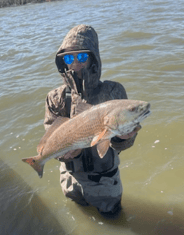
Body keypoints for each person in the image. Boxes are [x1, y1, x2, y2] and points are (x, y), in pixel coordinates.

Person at [44, 25, 140, 217]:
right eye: (69, 58)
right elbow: (51, 141)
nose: (76, 64)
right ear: (63, 61)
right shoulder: (55, 97)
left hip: (106, 183)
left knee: (113, 220)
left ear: (93, 57)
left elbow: (123, 145)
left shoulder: (113, 92)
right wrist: (65, 154)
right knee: (81, 215)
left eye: (82, 57)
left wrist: (123, 138)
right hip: (70, 179)